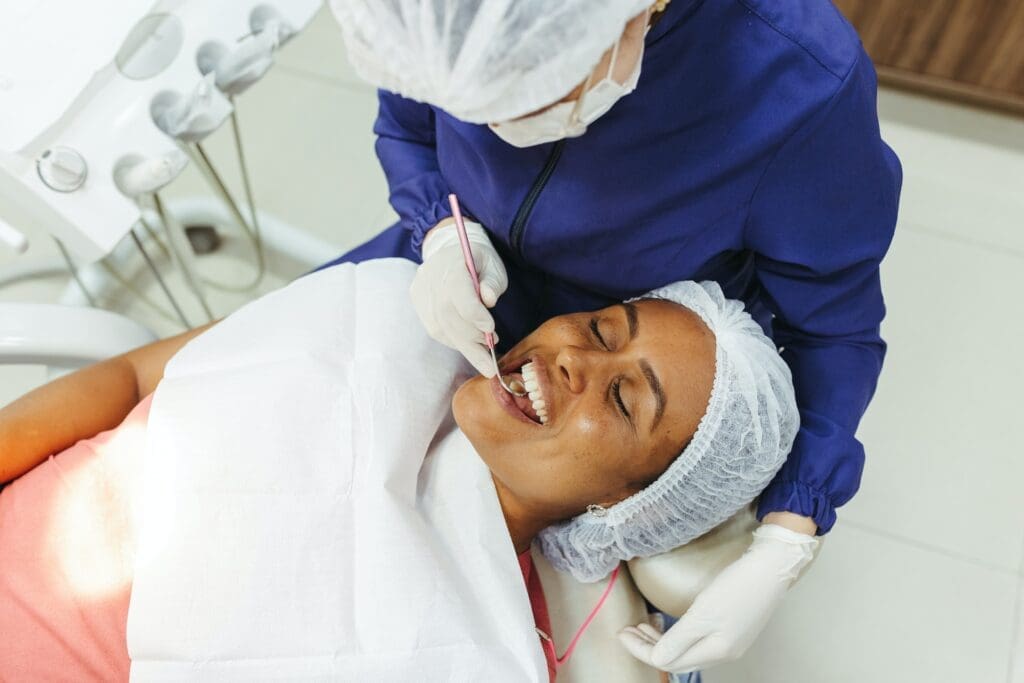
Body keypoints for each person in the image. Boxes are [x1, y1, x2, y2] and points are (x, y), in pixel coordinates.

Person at [324, 0, 902, 671]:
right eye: (479, 109)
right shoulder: (437, 15)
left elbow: (835, 328)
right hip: (450, 277)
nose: (503, 131)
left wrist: (789, 531)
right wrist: (438, 227)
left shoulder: (795, 84)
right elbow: (407, 122)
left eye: (535, 96)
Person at [0, 261, 798, 680]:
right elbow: (134, 381)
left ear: (632, 504)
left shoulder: (463, 653)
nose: (573, 355)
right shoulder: (376, 323)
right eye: (601, 325)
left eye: (624, 398)